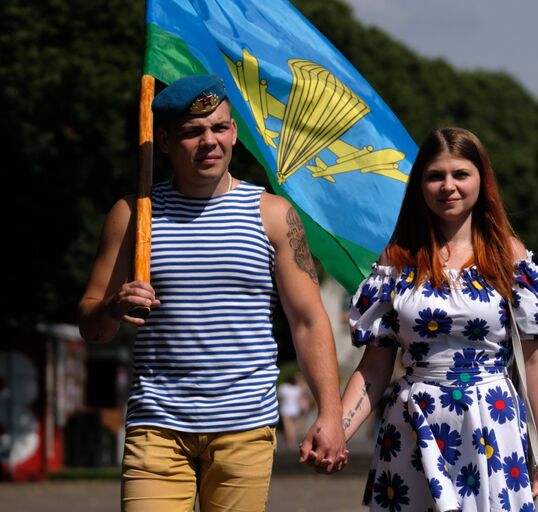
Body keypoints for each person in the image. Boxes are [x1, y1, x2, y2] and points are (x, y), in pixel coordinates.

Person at [77, 75, 346, 511]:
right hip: (157, 426)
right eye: (192, 132)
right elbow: (92, 327)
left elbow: (309, 321)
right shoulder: (133, 217)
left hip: (245, 428)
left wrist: (330, 415)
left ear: (235, 132)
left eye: (219, 128)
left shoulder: (273, 215)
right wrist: (113, 305)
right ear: (163, 140)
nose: (209, 142)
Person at [338, 128, 538, 511]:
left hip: (493, 425)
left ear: (482, 179)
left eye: (460, 174)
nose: (449, 186)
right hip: (414, 427)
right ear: (420, 185)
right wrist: (338, 430)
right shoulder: (397, 259)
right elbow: (375, 367)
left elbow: (534, 358)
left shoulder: (507, 256)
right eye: (435, 176)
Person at [278, 373, 311, 446]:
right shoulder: (297, 388)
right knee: (295, 425)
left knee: (287, 426)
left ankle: (290, 441)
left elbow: (280, 397)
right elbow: (306, 392)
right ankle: (292, 438)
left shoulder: (283, 387)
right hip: (295, 409)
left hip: (285, 409)